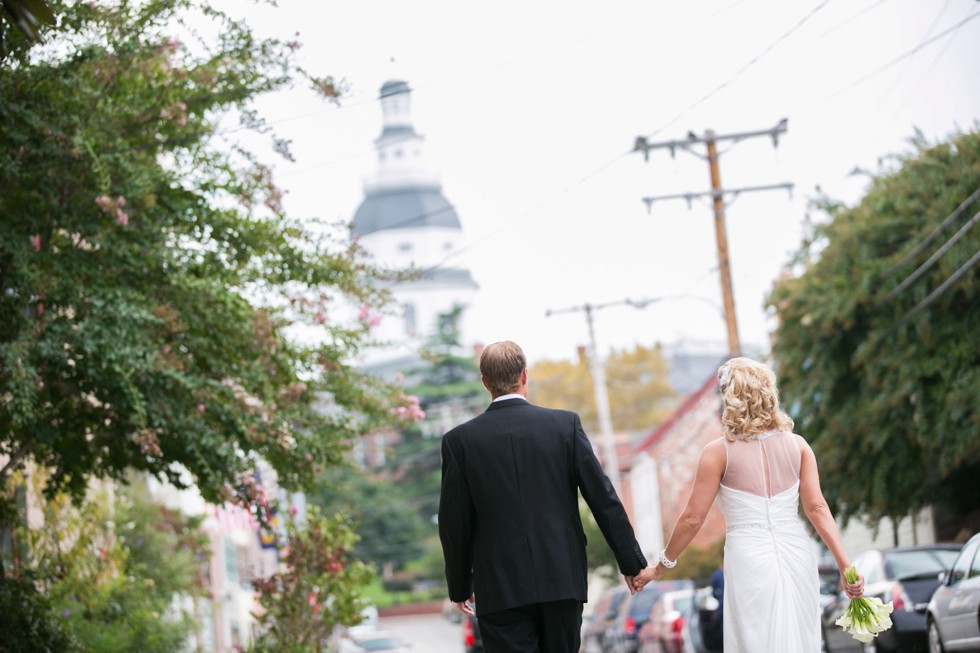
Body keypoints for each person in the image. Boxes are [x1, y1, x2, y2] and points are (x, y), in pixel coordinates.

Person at [632, 356, 864, 653]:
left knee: (755, 641)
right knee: (800, 637)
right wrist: (846, 566)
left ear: (731, 399)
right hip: (796, 553)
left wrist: (660, 568)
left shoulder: (718, 453)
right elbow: (817, 508)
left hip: (749, 557)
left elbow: (692, 518)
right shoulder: (799, 446)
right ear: (769, 394)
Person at [438, 341, 647, 653]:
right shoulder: (564, 426)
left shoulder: (459, 442)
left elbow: (454, 524)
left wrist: (459, 586)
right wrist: (631, 563)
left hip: (500, 588)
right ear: (525, 375)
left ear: (485, 382)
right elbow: (603, 498)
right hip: (562, 579)